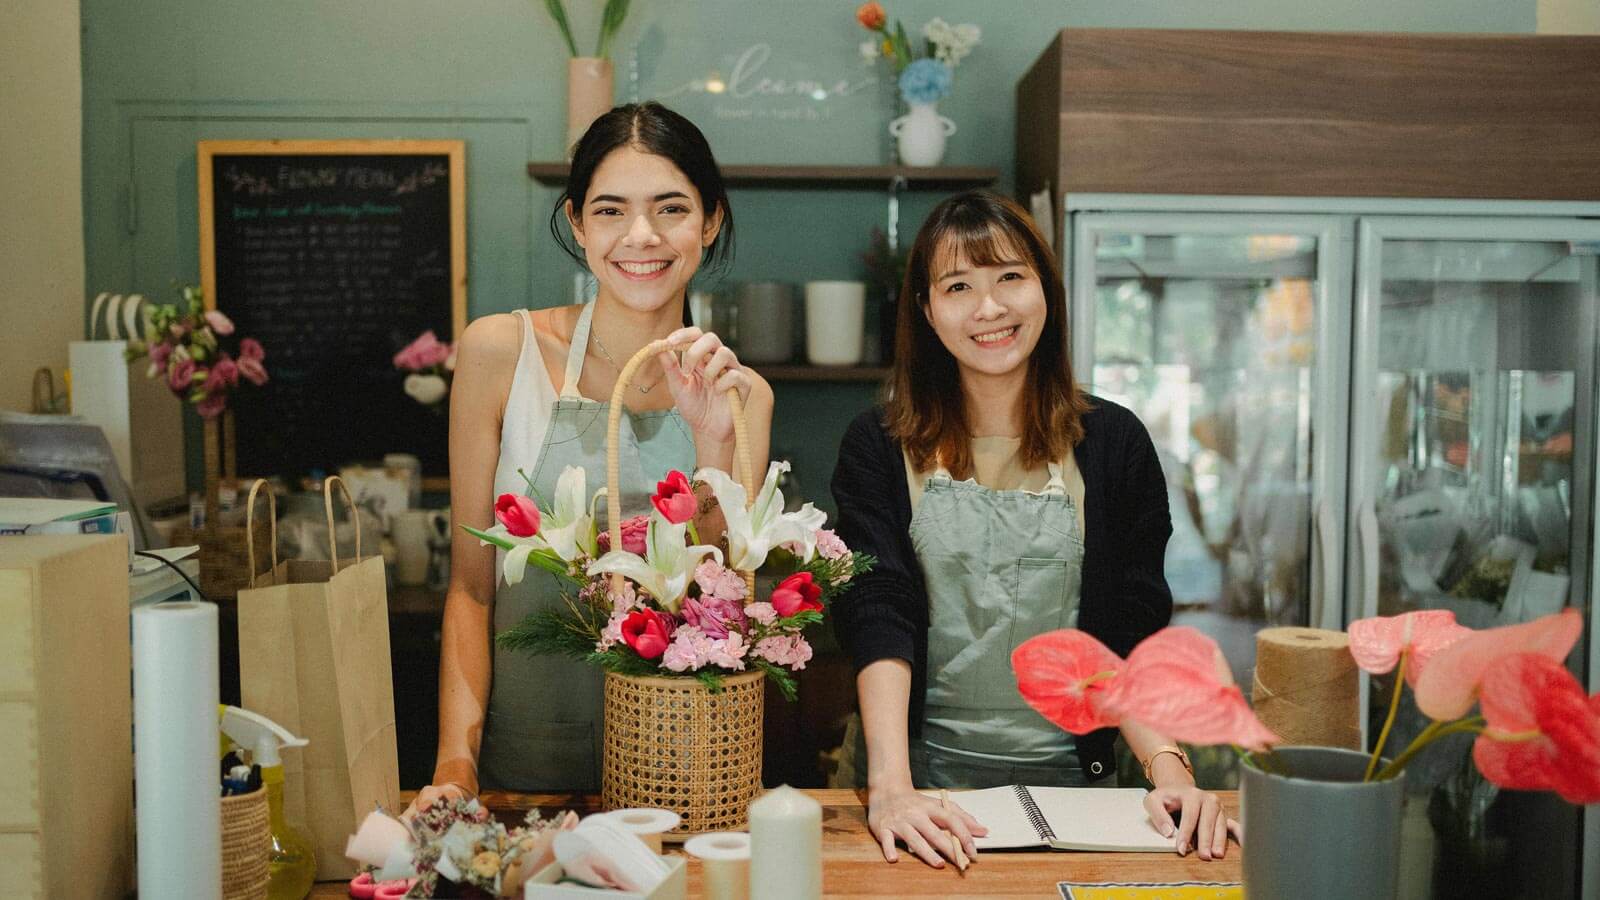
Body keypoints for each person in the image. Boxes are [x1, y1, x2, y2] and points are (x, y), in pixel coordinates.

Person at [830, 190, 1239, 866]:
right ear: (928, 312)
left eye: (1010, 278)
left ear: (1045, 291)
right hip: (916, 791)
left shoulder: (1113, 443)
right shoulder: (878, 442)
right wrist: (892, 788)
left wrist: (1172, 771)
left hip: (1088, 793)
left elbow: (1129, 627)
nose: (989, 309)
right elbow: (878, 610)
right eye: (959, 286)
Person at [407, 102, 773, 813]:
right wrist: (456, 767)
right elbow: (473, 590)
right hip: (522, 769)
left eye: (671, 208)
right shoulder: (499, 353)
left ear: (711, 221)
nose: (642, 236)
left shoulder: (742, 397)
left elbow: (716, 613)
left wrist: (713, 445)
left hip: (682, 775)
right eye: (610, 211)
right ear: (577, 224)